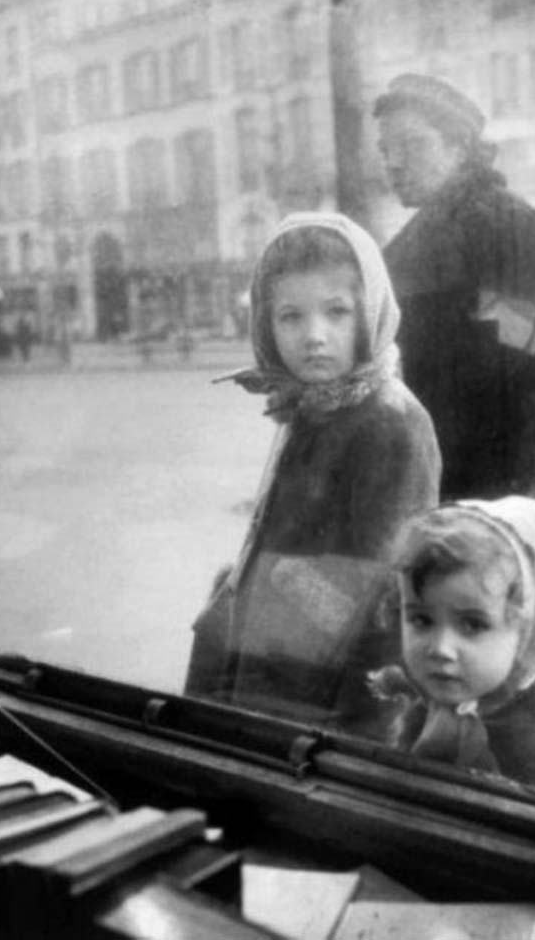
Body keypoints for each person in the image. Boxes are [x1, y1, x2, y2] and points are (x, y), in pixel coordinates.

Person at [184, 211, 441, 724]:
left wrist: (359, 741)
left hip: (322, 702)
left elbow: (383, 598)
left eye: (337, 312)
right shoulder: (316, 405)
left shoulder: (391, 423)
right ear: (265, 323)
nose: (314, 335)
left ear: (370, 312)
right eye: (291, 316)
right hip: (275, 671)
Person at [372, 74, 535, 504]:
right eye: (386, 150)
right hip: (435, 472)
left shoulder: (504, 224)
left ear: (458, 148)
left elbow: (529, 350)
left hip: (493, 482)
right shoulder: (413, 240)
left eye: (412, 145)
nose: (394, 163)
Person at [365, 496, 535, 797]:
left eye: (473, 625)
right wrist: (397, 681)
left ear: (527, 633)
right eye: (422, 619)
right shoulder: (461, 686)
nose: (441, 649)